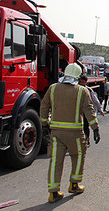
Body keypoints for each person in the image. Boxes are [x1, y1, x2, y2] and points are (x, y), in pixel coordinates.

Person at [40, 63, 101, 203]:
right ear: (78, 77)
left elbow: (44, 106)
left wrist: (44, 124)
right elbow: (89, 111)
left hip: (56, 133)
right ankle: (74, 185)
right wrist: (95, 128)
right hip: (75, 133)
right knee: (79, 156)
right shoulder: (82, 91)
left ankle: (53, 192)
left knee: (56, 160)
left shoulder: (53, 88)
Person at [78, 75, 104, 141]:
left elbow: (95, 100)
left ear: (86, 83)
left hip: (85, 111)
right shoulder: (75, 89)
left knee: (85, 126)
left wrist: (100, 109)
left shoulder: (89, 90)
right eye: (80, 82)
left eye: (83, 82)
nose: (81, 84)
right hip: (78, 111)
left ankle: (87, 139)